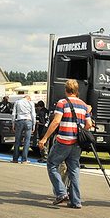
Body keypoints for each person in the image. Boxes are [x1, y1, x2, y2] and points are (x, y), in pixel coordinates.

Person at [38, 79, 91, 209]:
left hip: (63, 141)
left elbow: (56, 122)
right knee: (74, 171)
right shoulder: (84, 105)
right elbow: (89, 125)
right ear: (77, 90)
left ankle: (61, 192)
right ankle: (76, 201)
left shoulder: (62, 103)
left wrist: (44, 138)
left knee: (52, 164)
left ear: (66, 90)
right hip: (77, 143)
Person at [11, 95, 36, 163]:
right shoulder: (31, 103)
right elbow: (33, 115)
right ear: (29, 98)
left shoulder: (17, 102)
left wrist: (13, 124)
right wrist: (34, 125)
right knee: (27, 141)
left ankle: (15, 158)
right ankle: (24, 159)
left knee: (17, 140)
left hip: (19, 120)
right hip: (28, 120)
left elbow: (14, 114)